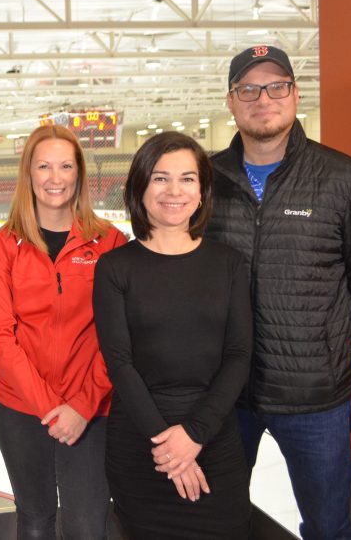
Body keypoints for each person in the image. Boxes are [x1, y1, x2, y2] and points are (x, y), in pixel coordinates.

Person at [206, 45, 351, 540]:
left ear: (295, 95)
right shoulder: (206, 179)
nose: (263, 99)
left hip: (316, 398)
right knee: (215, 523)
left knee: (328, 528)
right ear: (230, 101)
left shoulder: (344, 177)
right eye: (248, 89)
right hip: (226, 392)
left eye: (276, 87)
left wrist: (326, 337)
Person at [93, 131, 252, 540]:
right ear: (140, 188)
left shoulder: (228, 263)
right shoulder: (114, 267)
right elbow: (119, 363)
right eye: (160, 178)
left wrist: (195, 433)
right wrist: (168, 446)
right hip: (141, 444)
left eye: (187, 178)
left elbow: (238, 355)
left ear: (202, 191)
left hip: (214, 439)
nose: (174, 190)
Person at [0, 124, 126, 540]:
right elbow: (0, 337)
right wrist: (49, 408)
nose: (54, 178)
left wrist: (82, 405)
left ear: (79, 173)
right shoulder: (2, 247)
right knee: (35, 519)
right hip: (22, 408)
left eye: (65, 166)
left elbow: (118, 337)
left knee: (86, 526)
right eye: (43, 166)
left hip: (91, 409)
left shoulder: (109, 243)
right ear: (28, 173)